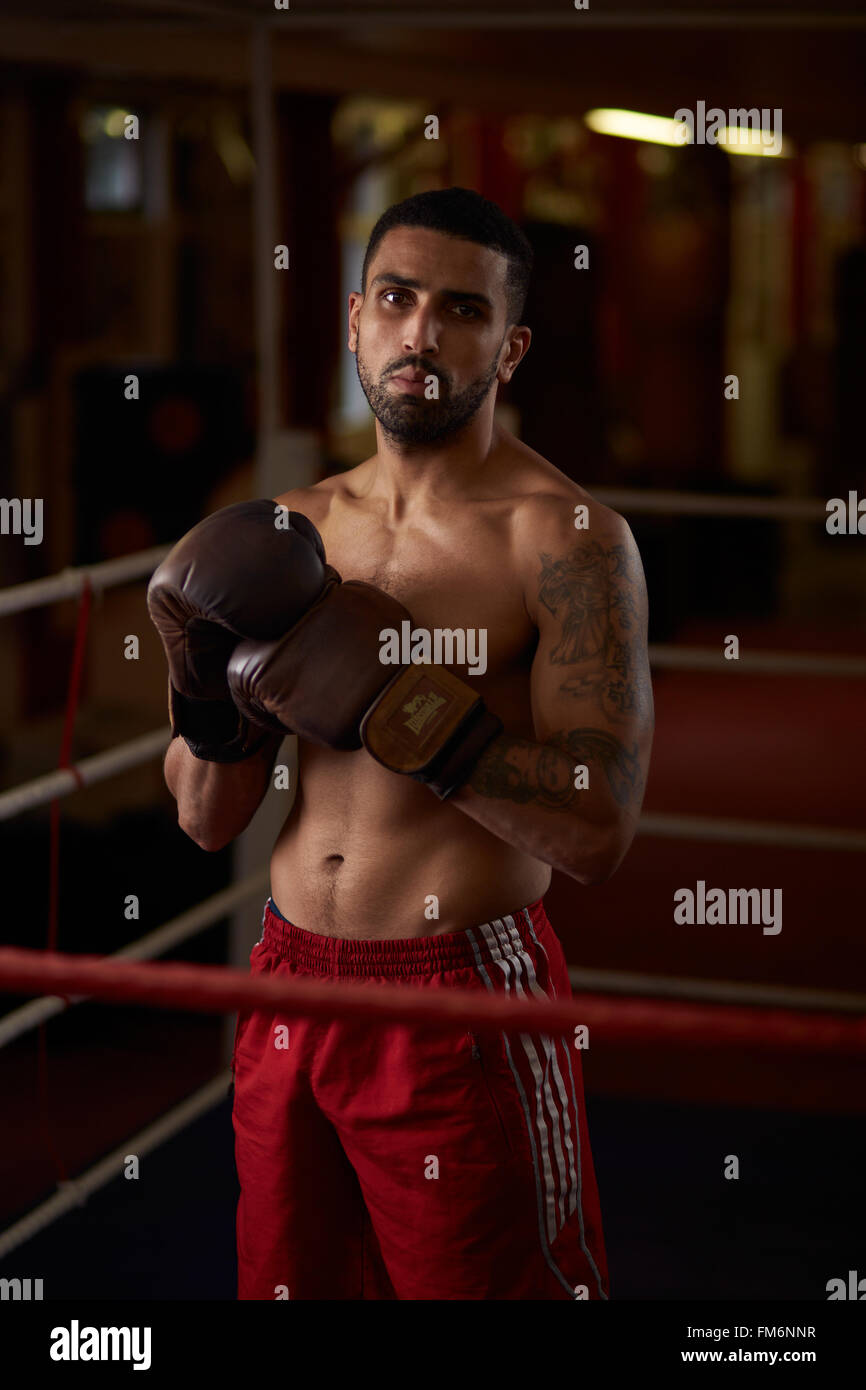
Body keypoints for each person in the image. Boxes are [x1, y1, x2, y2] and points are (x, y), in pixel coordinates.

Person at [148, 187, 654, 1300]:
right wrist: (203, 693)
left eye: (461, 310)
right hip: (288, 976)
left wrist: (406, 707)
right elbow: (202, 819)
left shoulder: (564, 540)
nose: (421, 332)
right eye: (397, 297)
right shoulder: (291, 526)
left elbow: (597, 826)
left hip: (456, 996)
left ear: (508, 347)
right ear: (354, 319)